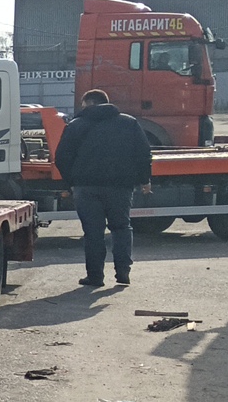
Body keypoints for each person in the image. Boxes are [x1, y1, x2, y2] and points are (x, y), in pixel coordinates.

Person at [55, 88, 154, 287]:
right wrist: (144, 180)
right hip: (120, 186)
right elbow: (143, 154)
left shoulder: (76, 126)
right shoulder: (129, 123)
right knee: (121, 227)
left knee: (93, 232)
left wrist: (72, 182)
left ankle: (95, 276)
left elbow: (62, 157)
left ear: (89, 104)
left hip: (86, 187)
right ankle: (123, 271)